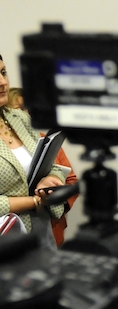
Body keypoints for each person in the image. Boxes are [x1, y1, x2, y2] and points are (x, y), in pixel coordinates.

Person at [0, 54, 65, 236]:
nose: (3, 81)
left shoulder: (19, 117)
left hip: (41, 231)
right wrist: (34, 201)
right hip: (6, 241)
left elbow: (51, 164)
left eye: (3, 72)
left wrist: (50, 180)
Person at [8, 86, 79, 246]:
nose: (25, 114)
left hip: (50, 228)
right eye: (18, 109)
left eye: (27, 109)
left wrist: (54, 196)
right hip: (13, 229)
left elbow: (72, 180)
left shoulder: (46, 141)